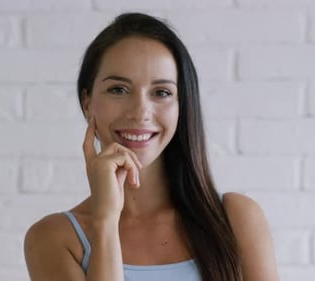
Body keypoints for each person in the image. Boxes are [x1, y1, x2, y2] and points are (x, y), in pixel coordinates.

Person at [24, 12, 279, 281]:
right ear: (88, 102)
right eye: (119, 89)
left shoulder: (236, 218)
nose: (140, 112)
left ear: (182, 105)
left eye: (162, 93)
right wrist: (106, 221)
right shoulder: (54, 239)